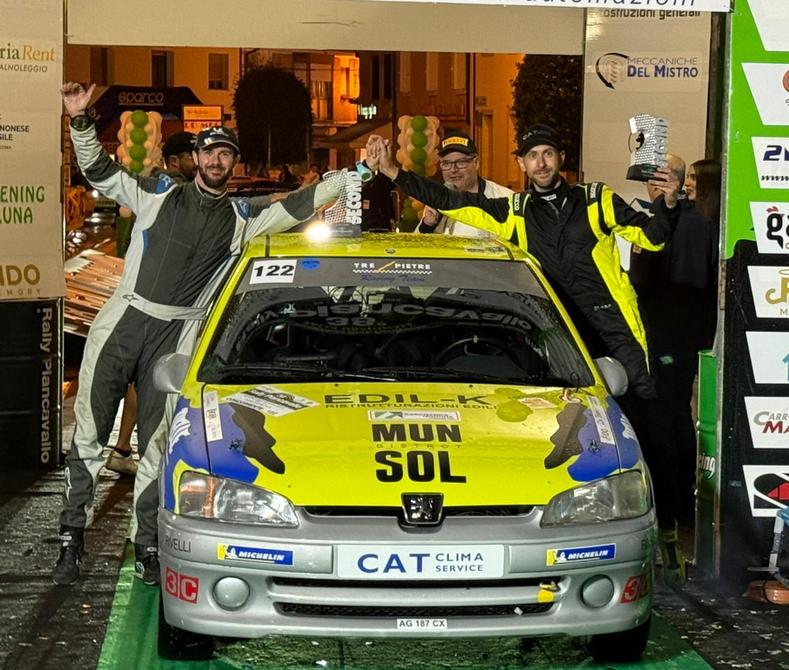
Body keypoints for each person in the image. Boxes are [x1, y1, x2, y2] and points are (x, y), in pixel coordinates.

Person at [55, 82, 352, 588]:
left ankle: (146, 545)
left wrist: (352, 175)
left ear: (233, 162)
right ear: (195, 158)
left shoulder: (242, 217)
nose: (216, 160)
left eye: (225, 154)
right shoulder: (157, 193)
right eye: (209, 151)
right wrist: (81, 120)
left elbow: (301, 204)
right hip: (124, 321)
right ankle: (70, 538)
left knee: (156, 447)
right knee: (89, 434)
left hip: (176, 339)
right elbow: (99, 171)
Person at [366, 125, 686, 579]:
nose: (541, 162)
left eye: (548, 153)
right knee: (567, 438)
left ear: (560, 158)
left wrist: (668, 203)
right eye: (532, 155)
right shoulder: (513, 212)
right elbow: (450, 201)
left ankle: (667, 534)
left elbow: (653, 237)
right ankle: (576, 538)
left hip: (615, 334)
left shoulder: (596, 199)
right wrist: (394, 172)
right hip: (557, 342)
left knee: (646, 432)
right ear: (521, 163)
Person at [630, 157, 721, 528]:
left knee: (665, 418)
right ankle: (685, 502)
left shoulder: (655, 225)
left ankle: (671, 505)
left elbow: (639, 282)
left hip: (663, 335)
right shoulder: (707, 224)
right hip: (694, 337)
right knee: (680, 414)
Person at [107, 130, 199, 476]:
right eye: (192, 155)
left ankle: (124, 448)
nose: (199, 161)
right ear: (174, 161)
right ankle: (145, 454)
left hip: (159, 301)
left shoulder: (166, 189)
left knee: (146, 377)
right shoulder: (172, 193)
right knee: (155, 378)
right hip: (161, 304)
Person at [416, 131, 512, 237]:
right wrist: (427, 225)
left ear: (476, 163)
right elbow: (415, 243)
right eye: (446, 163)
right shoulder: (437, 198)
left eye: (461, 162)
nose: (453, 170)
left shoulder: (505, 199)